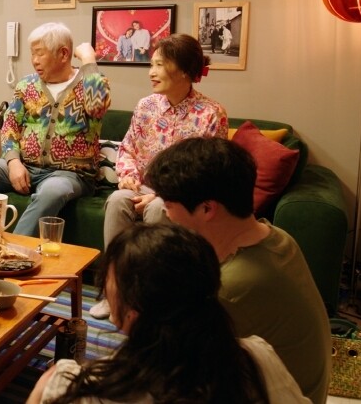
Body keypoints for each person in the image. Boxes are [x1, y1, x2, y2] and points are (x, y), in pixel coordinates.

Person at [27, 223, 309, 404]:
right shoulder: (257, 357)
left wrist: (51, 380)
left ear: (134, 309)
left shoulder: (78, 389)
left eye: (110, 281)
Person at [143, 137, 331, 403]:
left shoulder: (229, 293)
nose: (166, 213)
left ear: (207, 208)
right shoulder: (277, 238)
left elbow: (169, 371)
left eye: (170, 205)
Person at [90, 34, 226, 319]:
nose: (151, 72)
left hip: (183, 197)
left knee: (158, 208)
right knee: (117, 200)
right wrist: (128, 176)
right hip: (141, 187)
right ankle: (114, 292)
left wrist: (162, 195)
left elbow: (209, 173)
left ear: (184, 70)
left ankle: (152, 297)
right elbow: (128, 148)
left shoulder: (211, 113)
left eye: (159, 65)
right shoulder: (146, 106)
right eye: (151, 64)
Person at [0, 22, 110, 236]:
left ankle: (14, 250)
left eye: (40, 53)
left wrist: (88, 59)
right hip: (27, 167)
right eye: (32, 54)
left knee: (52, 190)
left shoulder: (90, 82)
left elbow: (97, 107)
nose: (34, 60)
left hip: (71, 175)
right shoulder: (27, 85)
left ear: (63, 54)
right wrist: (13, 162)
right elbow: (10, 126)